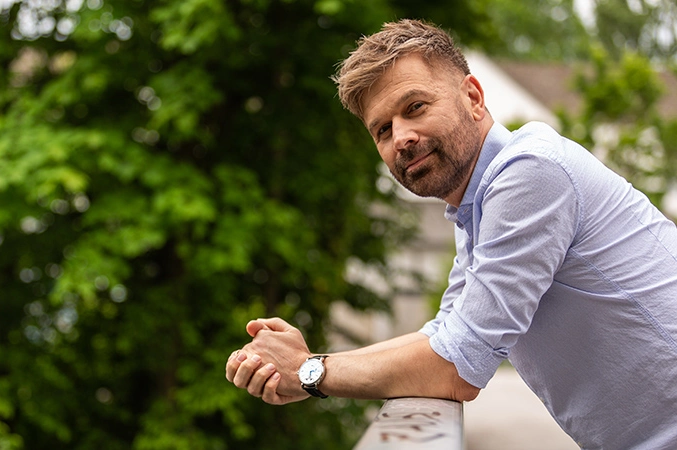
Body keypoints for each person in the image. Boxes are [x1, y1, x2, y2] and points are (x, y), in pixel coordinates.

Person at [225, 18, 677, 450]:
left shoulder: (530, 172)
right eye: (383, 129)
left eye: (415, 107)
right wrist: (313, 364)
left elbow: (456, 367)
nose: (401, 136)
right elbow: (445, 334)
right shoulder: (475, 208)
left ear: (474, 96)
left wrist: (309, 372)